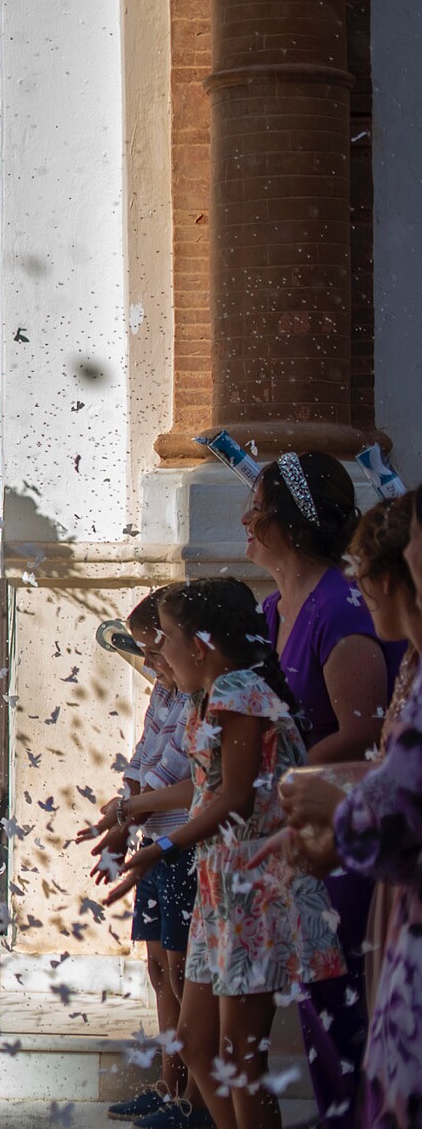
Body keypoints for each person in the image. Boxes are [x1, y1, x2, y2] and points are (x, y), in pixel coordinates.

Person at [105, 578, 345, 1129]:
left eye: (163, 638)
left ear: (200, 644)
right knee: (195, 1043)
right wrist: (128, 815)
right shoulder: (212, 695)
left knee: (240, 1057)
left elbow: (235, 798)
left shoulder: (237, 692)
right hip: (223, 882)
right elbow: (206, 787)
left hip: (253, 882)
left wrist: (163, 845)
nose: (157, 652)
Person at [244, 451, 398, 1126]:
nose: (244, 519)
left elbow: (365, 736)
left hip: (344, 836)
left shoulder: (340, 608)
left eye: (255, 508)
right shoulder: (276, 608)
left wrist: (275, 782)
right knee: (317, 1010)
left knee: (346, 1013)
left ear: (286, 525)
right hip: (298, 825)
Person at [268, 492, 422, 1129]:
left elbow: (391, 777)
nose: (363, 591)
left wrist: (338, 804)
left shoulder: (337, 612)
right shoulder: (412, 662)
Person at [78, 589, 199, 1127]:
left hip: (183, 846)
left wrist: (124, 812)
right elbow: (146, 752)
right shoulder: (166, 696)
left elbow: (183, 774)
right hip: (154, 844)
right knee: (157, 970)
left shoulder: (201, 699)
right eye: (148, 654)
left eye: (157, 650)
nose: (152, 664)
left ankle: (192, 1096)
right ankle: (168, 1083)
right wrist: (124, 818)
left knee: (183, 973)